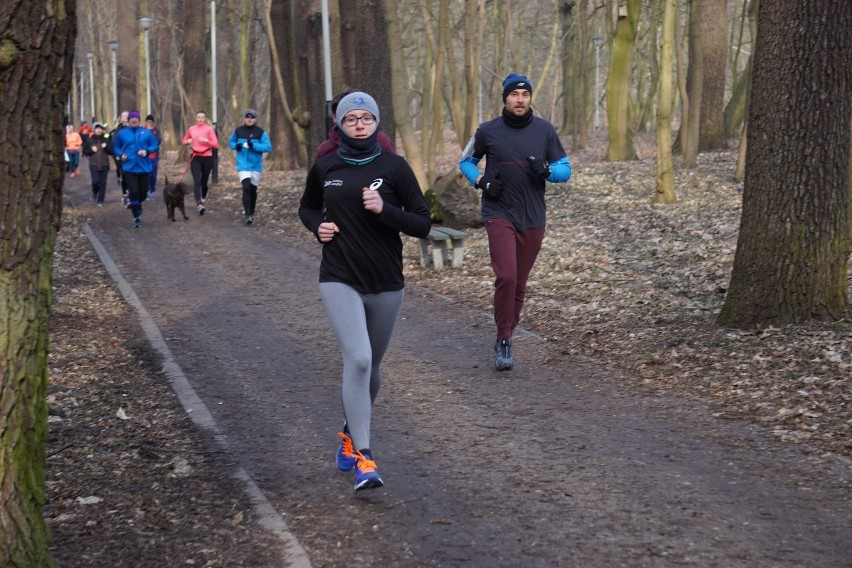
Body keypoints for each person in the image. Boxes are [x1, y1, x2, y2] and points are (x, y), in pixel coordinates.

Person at [298, 92, 431, 492]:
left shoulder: (395, 167)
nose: (359, 123)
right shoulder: (326, 165)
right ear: (339, 124)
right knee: (357, 359)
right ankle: (364, 457)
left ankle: (347, 431)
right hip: (339, 277)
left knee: (371, 369)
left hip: (387, 282)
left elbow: (423, 224)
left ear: (376, 123)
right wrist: (316, 227)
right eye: (351, 118)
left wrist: (383, 211)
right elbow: (307, 208)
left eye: (366, 117)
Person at [459, 73, 571, 371]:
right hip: (498, 212)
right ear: (505, 98)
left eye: (525, 94)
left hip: (533, 215)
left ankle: (508, 329)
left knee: (519, 282)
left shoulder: (545, 131)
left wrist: (547, 170)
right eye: (514, 94)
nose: (520, 99)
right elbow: (465, 161)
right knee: (507, 276)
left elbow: (565, 170)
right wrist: (481, 181)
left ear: (530, 98)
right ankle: (504, 337)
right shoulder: (487, 131)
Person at [315, 89, 396, 159]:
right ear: (336, 118)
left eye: (366, 118)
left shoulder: (382, 142)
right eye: (350, 119)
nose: (359, 126)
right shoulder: (326, 150)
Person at [112, 110, 159, 228]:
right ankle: (136, 218)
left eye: (136, 118)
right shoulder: (122, 133)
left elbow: (155, 145)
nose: (134, 120)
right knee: (133, 192)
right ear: (128, 120)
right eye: (132, 118)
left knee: (143, 193)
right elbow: (116, 146)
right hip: (129, 167)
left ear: (139, 120)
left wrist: (147, 151)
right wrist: (120, 154)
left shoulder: (146, 132)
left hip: (144, 167)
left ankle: (137, 204)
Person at [228, 108, 272, 224]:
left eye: (252, 117)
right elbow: (231, 142)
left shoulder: (260, 132)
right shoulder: (238, 131)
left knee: (253, 190)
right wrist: (236, 146)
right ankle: (247, 214)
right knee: (246, 188)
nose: (249, 119)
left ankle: (252, 211)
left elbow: (268, 147)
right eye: (247, 117)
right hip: (243, 165)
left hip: (256, 166)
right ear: (244, 118)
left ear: (255, 119)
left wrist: (254, 146)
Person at [182, 110, 219, 215]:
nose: (200, 119)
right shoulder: (191, 129)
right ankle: (199, 204)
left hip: (207, 157)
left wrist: (207, 141)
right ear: (196, 118)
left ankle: (202, 198)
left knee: (204, 182)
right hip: (195, 157)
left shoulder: (209, 129)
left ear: (205, 119)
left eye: (202, 117)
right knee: (197, 181)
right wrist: (187, 141)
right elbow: (184, 140)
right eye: (198, 117)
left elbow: (216, 145)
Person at [82, 122, 112, 206]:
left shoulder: (106, 139)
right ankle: (94, 192)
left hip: (105, 165)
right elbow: (85, 151)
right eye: (97, 128)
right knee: (95, 181)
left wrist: (106, 147)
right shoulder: (89, 140)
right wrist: (91, 150)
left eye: (100, 129)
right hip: (94, 165)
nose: (99, 130)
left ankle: (101, 200)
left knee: (103, 183)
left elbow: (112, 151)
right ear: (94, 129)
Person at [107, 111, 129, 197]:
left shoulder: (136, 128)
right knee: (124, 172)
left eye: (127, 116)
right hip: (121, 154)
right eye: (124, 116)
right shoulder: (117, 129)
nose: (126, 118)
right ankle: (125, 192)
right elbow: (109, 136)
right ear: (121, 119)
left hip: (133, 155)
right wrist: (104, 136)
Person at [144, 114, 162, 200]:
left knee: (153, 175)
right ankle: (147, 191)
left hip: (154, 156)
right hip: (144, 156)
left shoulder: (156, 131)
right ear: (146, 122)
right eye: (148, 122)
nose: (150, 123)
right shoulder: (142, 130)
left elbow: (158, 141)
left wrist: (151, 132)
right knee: (146, 174)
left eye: (151, 122)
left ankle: (151, 189)